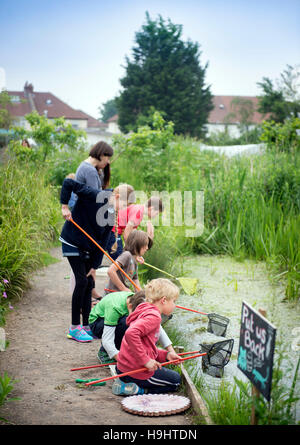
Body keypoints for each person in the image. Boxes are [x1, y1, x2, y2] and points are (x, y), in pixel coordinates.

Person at [60, 178, 134, 342]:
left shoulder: (111, 214)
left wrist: (94, 266)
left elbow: (102, 242)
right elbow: (68, 183)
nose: (122, 209)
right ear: (116, 197)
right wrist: (64, 206)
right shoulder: (96, 195)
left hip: (87, 247)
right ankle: (73, 328)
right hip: (72, 240)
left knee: (88, 283)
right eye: (123, 205)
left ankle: (85, 326)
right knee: (80, 282)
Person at [112, 278, 181, 396]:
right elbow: (130, 333)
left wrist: (166, 355)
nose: (175, 305)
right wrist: (146, 361)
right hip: (136, 371)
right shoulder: (154, 316)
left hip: (123, 368)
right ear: (164, 300)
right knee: (176, 381)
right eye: (174, 301)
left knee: (171, 376)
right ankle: (140, 390)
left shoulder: (144, 310)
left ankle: (126, 383)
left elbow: (146, 346)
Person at [89, 288, 179, 365]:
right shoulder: (115, 308)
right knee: (127, 324)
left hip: (115, 320)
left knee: (138, 325)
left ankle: (122, 350)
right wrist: (122, 361)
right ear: (130, 306)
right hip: (97, 322)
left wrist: (171, 351)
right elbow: (107, 340)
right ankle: (104, 352)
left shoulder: (138, 301)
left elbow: (157, 326)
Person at [106, 196, 163, 261]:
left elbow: (131, 235)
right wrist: (132, 253)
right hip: (112, 231)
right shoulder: (138, 213)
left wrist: (135, 255)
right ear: (151, 208)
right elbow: (126, 234)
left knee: (122, 259)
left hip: (112, 229)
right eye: (157, 213)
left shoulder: (139, 209)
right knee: (121, 261)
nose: (156, 216)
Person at [103, 229, 151, 297]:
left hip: (121, 295)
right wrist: (123, 288)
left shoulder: (134, 261)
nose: (147, 248)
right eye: (145, 245)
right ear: (137, 244)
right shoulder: (126, 255)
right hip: (112, 295)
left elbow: (135, 280)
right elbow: (111, 271)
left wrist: (142, 296)